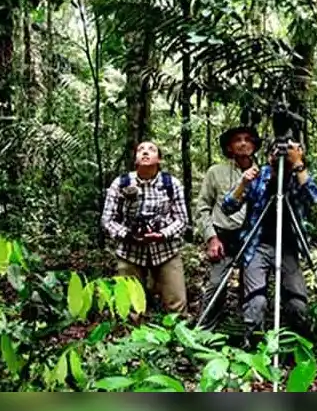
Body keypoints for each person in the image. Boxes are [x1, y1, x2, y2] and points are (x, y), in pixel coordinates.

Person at [220, 140, 317, 347]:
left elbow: (314, 200)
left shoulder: (299, 177)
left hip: (288, 248)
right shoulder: (258, 177)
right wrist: (243, 184)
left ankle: (296, 348)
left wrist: (298, 165)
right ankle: (254, 348)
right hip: (257, 247)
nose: (281, 153)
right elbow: (228, 207)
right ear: (268, 156)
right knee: (256, 302)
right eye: (276, 149)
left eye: (288, 148)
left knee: (298, 305)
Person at [100, 141, 188, 314]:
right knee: (129, 306)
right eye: (141, 150)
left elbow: (182, 220)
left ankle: (178, 330)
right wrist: (127, 234)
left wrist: (162, 234)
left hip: (165, 250)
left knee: (176, 303)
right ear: (135, 159)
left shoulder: (171, 184)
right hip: (130, 252)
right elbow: (107, 220)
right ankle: (131, 330)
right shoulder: (121, 183)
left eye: (151, 149)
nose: (145, 152)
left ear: (159, 159)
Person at [195, 125, 262, 329]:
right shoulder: (216, 172)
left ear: (254, 145)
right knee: (216, 285)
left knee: (252, 289)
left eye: (247, 139)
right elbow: (202, 207)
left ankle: (249, 333)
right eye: (237, 140)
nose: (243, 143)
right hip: (224, 237)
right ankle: (204, 331)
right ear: (229, 147)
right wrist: (211, 238)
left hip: (254, 239)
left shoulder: (265, 173)